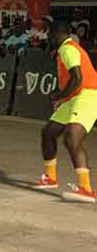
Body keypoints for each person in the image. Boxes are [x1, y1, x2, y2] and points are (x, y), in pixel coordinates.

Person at [33, 21, 97, 203]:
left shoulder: (68, 49)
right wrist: (62, 96)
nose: (47, 38)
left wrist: (60, 97)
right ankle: (50, 178)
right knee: (49, 132)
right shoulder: (63, 50)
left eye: (49, 34)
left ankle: (86, 189)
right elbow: (71, 80)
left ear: (56, 34)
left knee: (72, 138)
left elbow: (77, 78)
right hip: (74, 96)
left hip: (88, 94)